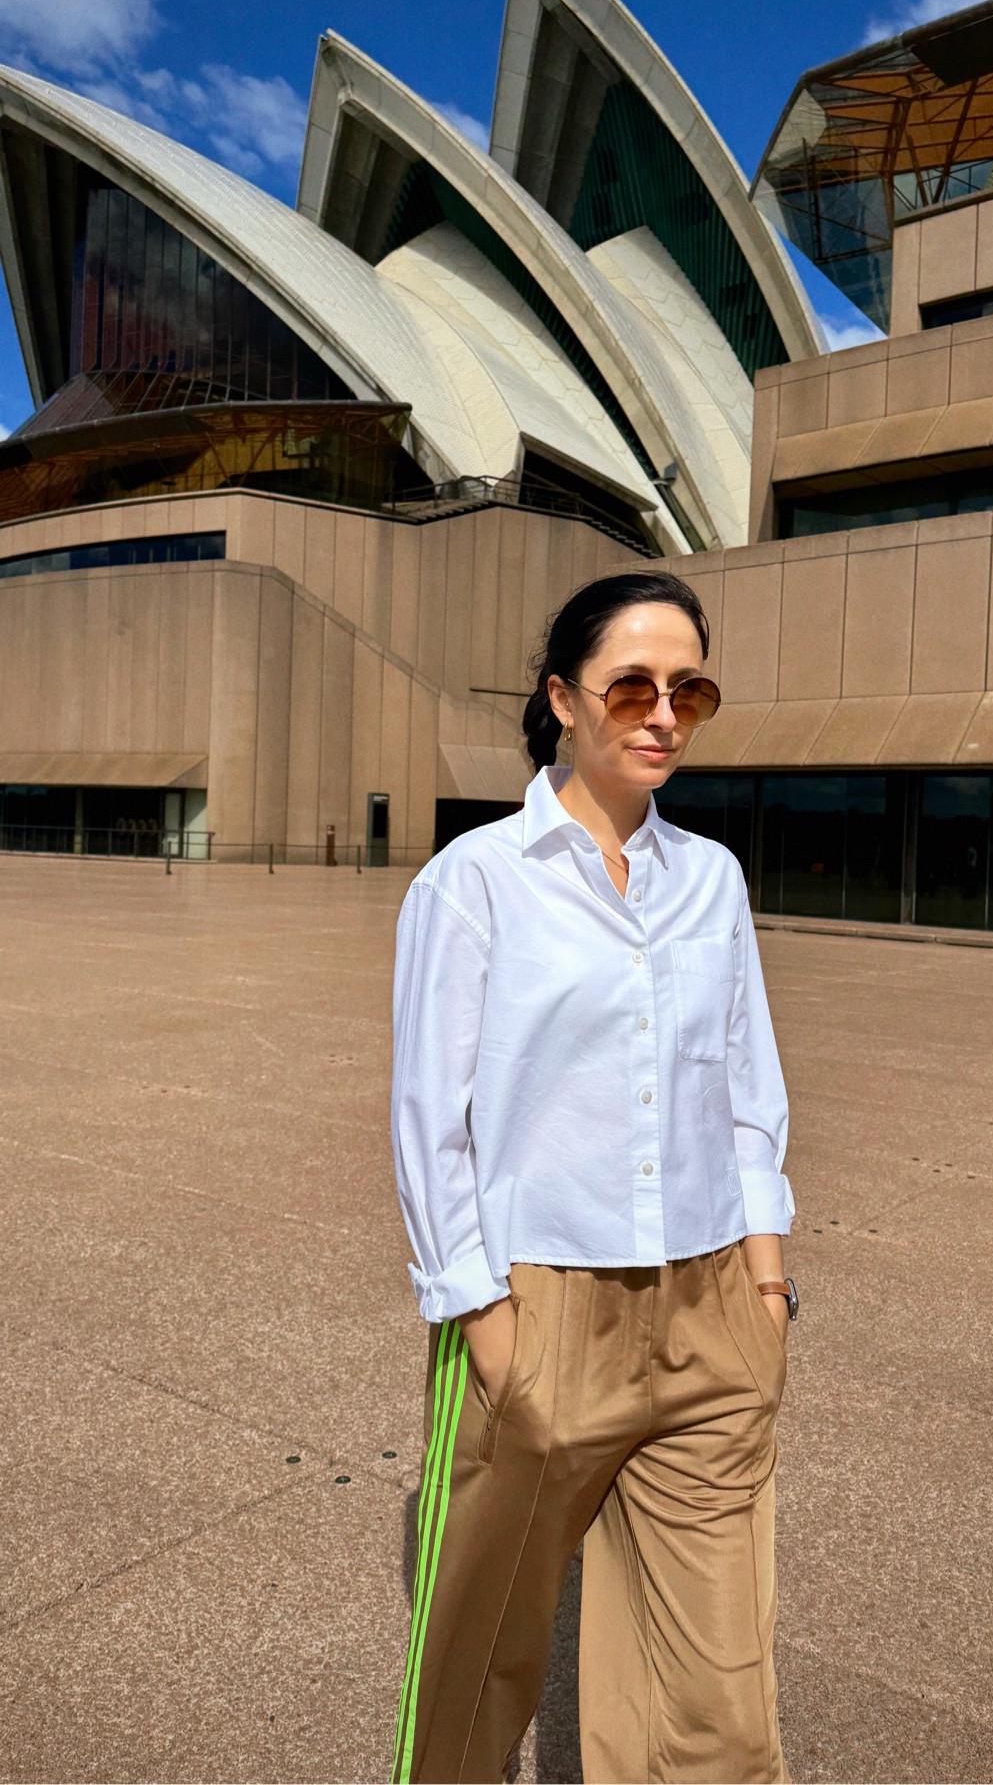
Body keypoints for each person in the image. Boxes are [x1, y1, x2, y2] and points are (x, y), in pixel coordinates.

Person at [390, 572, 797, 1785]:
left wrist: (766, 1289)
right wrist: (491, 1324)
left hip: (713, 1306)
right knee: (478, 1666)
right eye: (633, 684)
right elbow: (430, 1116)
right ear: (565, 699)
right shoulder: (475, 879)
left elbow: (745, 1084)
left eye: (690, 690)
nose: (663, 712)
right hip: (540, 1308)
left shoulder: (710, 879)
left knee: (721, 1704)